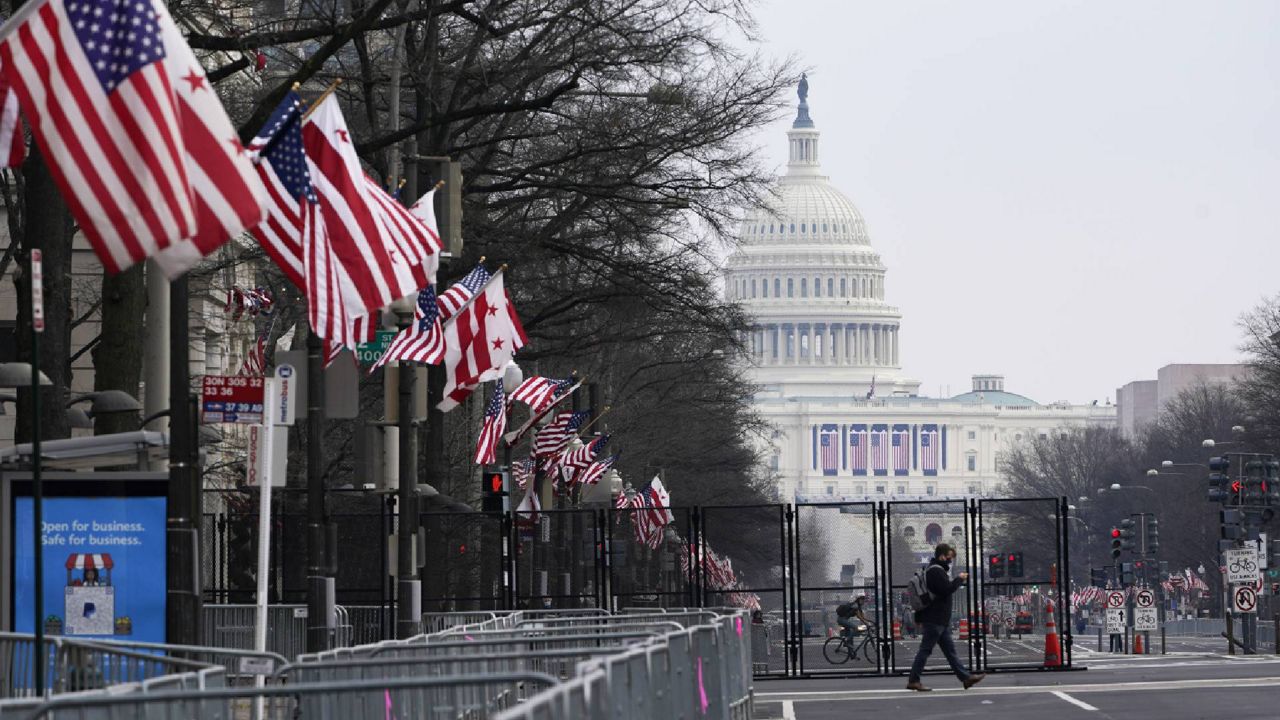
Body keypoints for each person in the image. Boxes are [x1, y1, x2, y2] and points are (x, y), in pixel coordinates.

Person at [906, 544, 986, 691]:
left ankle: (966, 678)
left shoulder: (935, 570)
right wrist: (959, 579)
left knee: (950, 651)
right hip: (935, 618)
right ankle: (913, 680)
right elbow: (946, 590)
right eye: (949, 556)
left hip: (939, 619)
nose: (950, 560)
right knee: (925, 650)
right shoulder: (936, 571)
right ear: (942, 556)